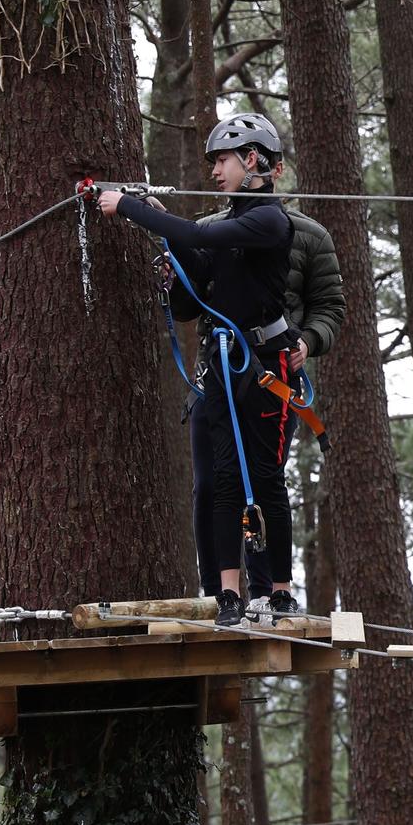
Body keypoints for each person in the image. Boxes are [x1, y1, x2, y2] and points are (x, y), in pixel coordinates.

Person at [98, 113, 300, 627]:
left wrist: (130, 208)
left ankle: (279, 590)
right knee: (225, 478)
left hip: (264, 365)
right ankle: (229, 592)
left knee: (266, 477)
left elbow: (197, 234)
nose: (214, 171)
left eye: (222, 160)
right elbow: (200, 270)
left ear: (253, 159)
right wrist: (175, 261)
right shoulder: (228, 224)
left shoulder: (268, 220)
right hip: (225, 364)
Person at [184, 156, 342, 612]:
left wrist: (309, 342)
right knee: (212, 484)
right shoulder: (211, 229)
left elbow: (330, 304)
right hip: (217, 375)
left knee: (263, 478)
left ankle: (268, 592)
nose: (217, 171)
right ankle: (220, 594)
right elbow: (189, 305)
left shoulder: (307, 234)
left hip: (272, 374)